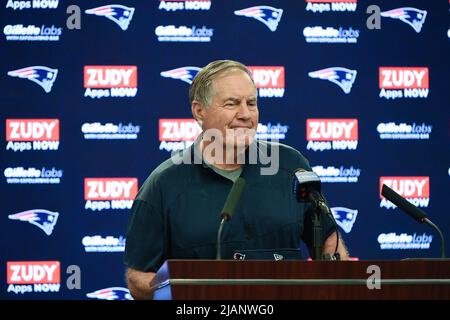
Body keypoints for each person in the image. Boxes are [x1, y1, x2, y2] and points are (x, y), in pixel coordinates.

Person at [124, 60, 349, 299]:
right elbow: (138, 278)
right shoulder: (164, 184)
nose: (245, 114)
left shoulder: (291, 166)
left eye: (251, 103)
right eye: (232, 104)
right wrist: (190, 293)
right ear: (199, 111)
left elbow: (329, 244)